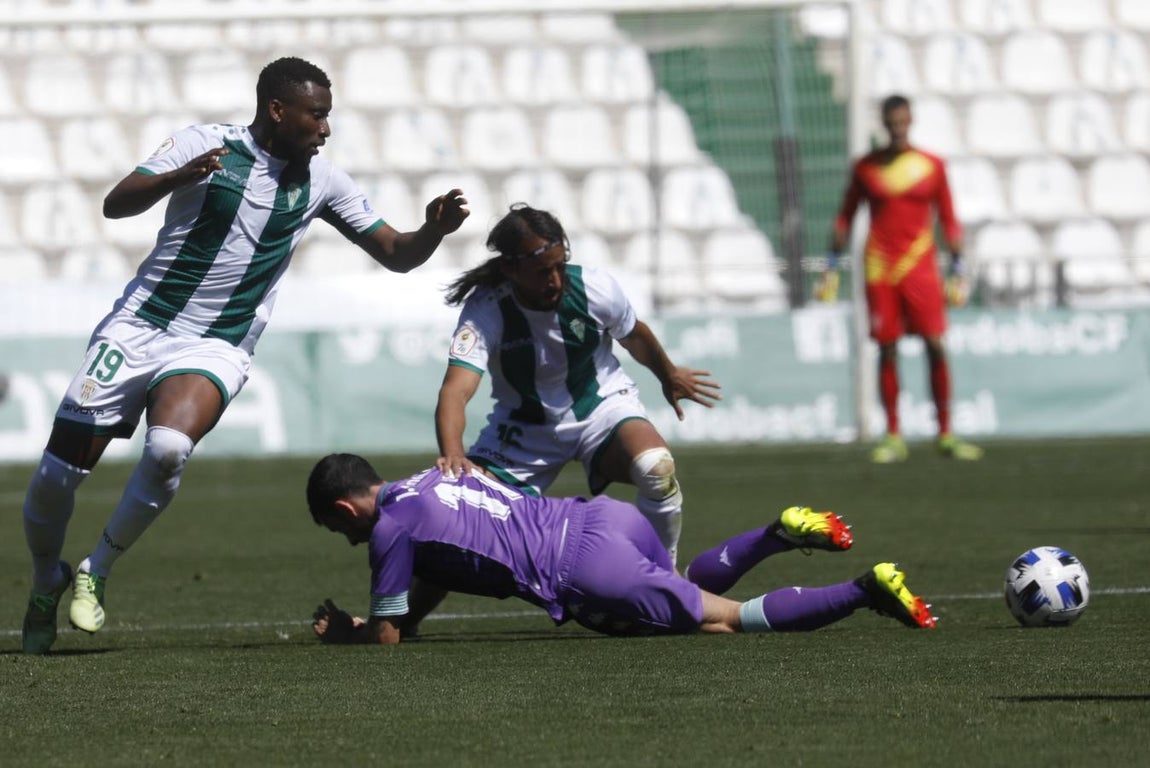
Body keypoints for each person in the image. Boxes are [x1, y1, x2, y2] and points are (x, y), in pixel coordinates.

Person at [19, 56, 470, 655]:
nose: (326, 129)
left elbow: (395, 252)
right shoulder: (208, 144)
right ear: (277, 111)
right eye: (317, 116)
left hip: (219, 341)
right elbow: (117, 203)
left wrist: (432, 230)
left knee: (168, 447)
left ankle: (94, 569)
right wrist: (178, 177)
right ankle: (47, 575)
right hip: (138, 327)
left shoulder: (324, 182)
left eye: (328, 117)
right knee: (56, 477)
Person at [305, 453, 937, 645]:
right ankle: (775, 534)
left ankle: (865, 589)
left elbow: (383, 638)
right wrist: (413, 618)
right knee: (687, 584)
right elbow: (445, 564)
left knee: (724, 621)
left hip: (578, 570)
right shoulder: (436, 475)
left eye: (342, 529)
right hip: (603, 517)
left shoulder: (389, 526)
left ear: (345, 509)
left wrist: (350, 632)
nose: (352, 538)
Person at [434, 204, 721, 569]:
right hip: (523, 431)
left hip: (600, 409)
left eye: (559, 265)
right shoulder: (486, 309)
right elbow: (455, 390)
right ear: (510, 268)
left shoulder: (594, 287)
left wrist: (668, 374)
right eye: (542, 271)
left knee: (656, 467)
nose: (554, 279)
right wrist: (454, 453)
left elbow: (635, 335)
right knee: (459, 517)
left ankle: (667, 577)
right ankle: (403, 619)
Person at [816, 94, 983, 464]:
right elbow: (845, 216)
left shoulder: (931, 166)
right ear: (884, 124)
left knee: (935, 343)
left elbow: (949, 218)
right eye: (892, 123)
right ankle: (893, 434)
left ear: (911, 120)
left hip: (920, 265)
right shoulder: (866, 168)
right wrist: (831, 264)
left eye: (903, 122)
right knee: (887, 347)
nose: (897, 129)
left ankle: (945, 432)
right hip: (880, 269)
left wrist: (958, 265)